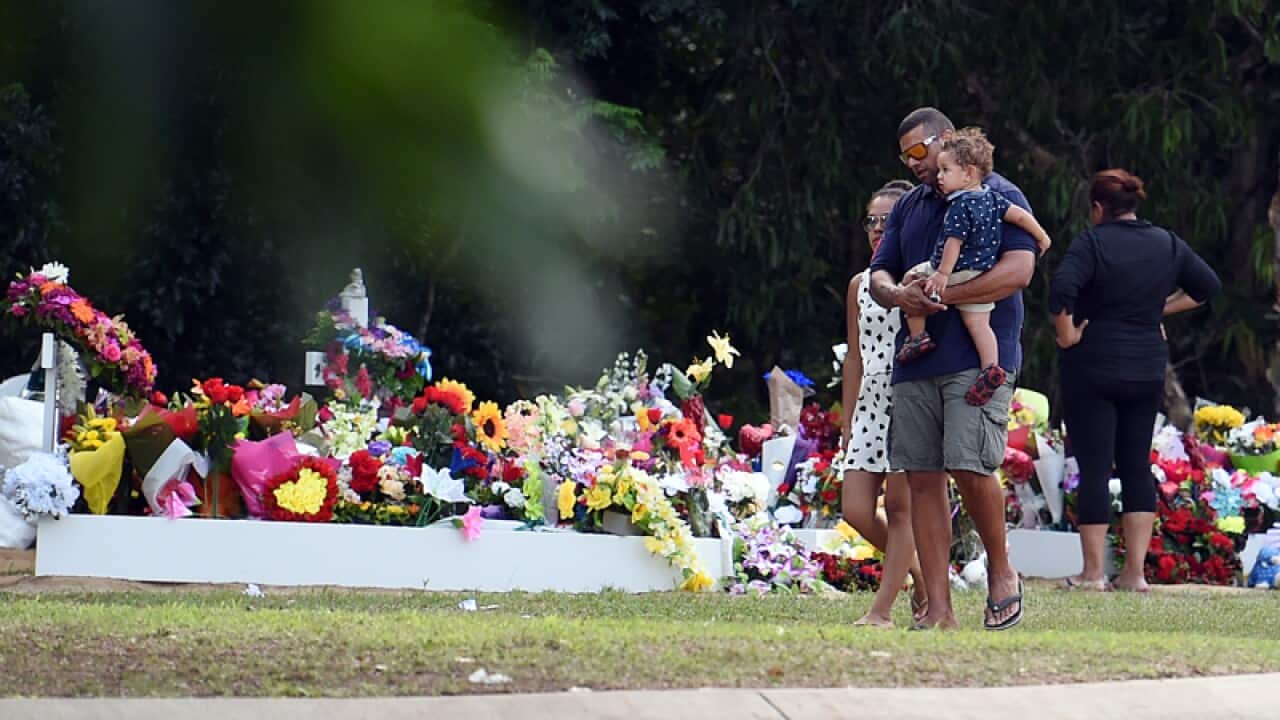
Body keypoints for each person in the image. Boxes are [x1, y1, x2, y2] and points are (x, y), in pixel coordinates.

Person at [869, 107, 1036, 631]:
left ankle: (1001, 572)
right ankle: (939, 610)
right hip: (916, 359)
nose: (915, 164)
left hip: (978, 359)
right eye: (906, 157)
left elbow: (1020, 270)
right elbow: (879, 273)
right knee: (921, 477)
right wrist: (900, 294)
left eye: (921, 152)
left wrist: (947, 294)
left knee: (969, 466)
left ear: (947, 141)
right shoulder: (910, 206)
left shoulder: (996, 192)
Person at [1049, 169, 1220, 592]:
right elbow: (1208, 287)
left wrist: (1067, 334)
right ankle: (1135, 574)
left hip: (1093, 366)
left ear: (1097, 208)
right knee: (1135, 466)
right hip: (1145, 368)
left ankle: (1092, 574)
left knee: (1093, 466)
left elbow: (1060, 290)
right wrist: (1157, 310)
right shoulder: (1166, 243)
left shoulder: (1092, 242)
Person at [897, 129, 1053, 407]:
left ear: (968, 173)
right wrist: (1041, 236)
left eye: (945, 170)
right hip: (981, 270)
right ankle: (991, 367)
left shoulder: (958, 204)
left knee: (913, 282)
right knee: (980, 325)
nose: (940, 176)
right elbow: (1020, 217)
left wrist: (941, 274)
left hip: (954, 268)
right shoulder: (994, 198)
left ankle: (918, 336)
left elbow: (953, 243)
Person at [841, 180, 928, 627]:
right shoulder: (860, 284)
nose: (877, 229)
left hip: (910, 399)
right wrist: (847, 421)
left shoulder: (922, 278)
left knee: (900, 509)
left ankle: (882, 610)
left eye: (886, 221)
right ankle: (918, 573)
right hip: (870, 405)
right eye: (871, 221)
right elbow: (854, 357)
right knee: (854, 509)